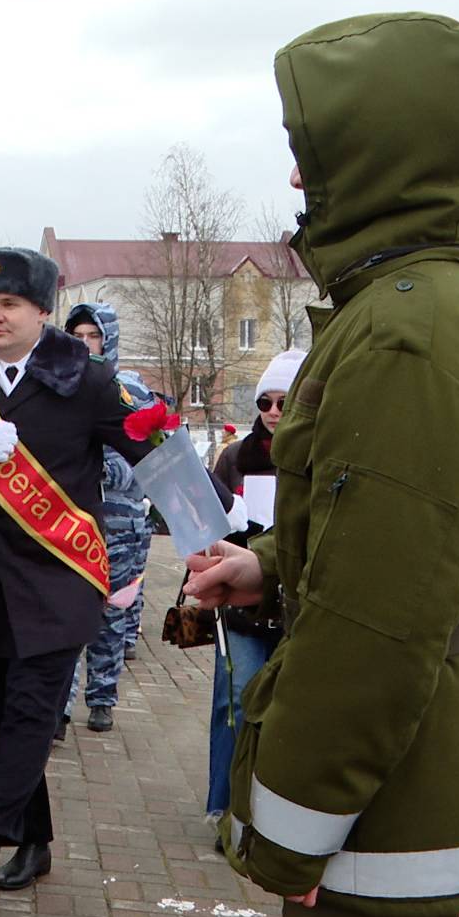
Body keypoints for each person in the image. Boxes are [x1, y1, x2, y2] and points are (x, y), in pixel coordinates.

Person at [183, 13, 459, 917]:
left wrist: (295, 830)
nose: (298, 184)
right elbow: (402, 545)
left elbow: (377, 628)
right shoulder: (449, 305)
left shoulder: (406, 336)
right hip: (409, 762)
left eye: (314, 155)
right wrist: (269, 568)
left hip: (379, 787)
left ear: (380, 153)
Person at [0, 247, 233, 898]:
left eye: (9, 305)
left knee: (32, 712)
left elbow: (151, 450)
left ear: (41, 310)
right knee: (0, 713)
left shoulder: (85, 378)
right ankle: (37, 842)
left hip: (63, 572)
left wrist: (210, 531)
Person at [203, 349, 304, 836]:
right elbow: (206, 520)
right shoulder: (236, 457)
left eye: (285, 401)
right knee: (236, 698)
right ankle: (225, 804)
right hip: (241, 606)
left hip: (294, 608)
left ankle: (271, 807)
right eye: (265, 401)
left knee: (285, 710)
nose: (273, 412)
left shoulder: (316, 459)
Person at [58, 302, 154, 735]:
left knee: (112, 615)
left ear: (107, 339)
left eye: (91, 337)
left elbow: (148, 459)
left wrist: (97, 467)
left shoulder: (129, 391)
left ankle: (101, 697)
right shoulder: (56, 388)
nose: (83, 345)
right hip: (70, 522)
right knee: (65, 614)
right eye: (75, 337)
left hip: (120, 522)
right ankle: (58, 707)